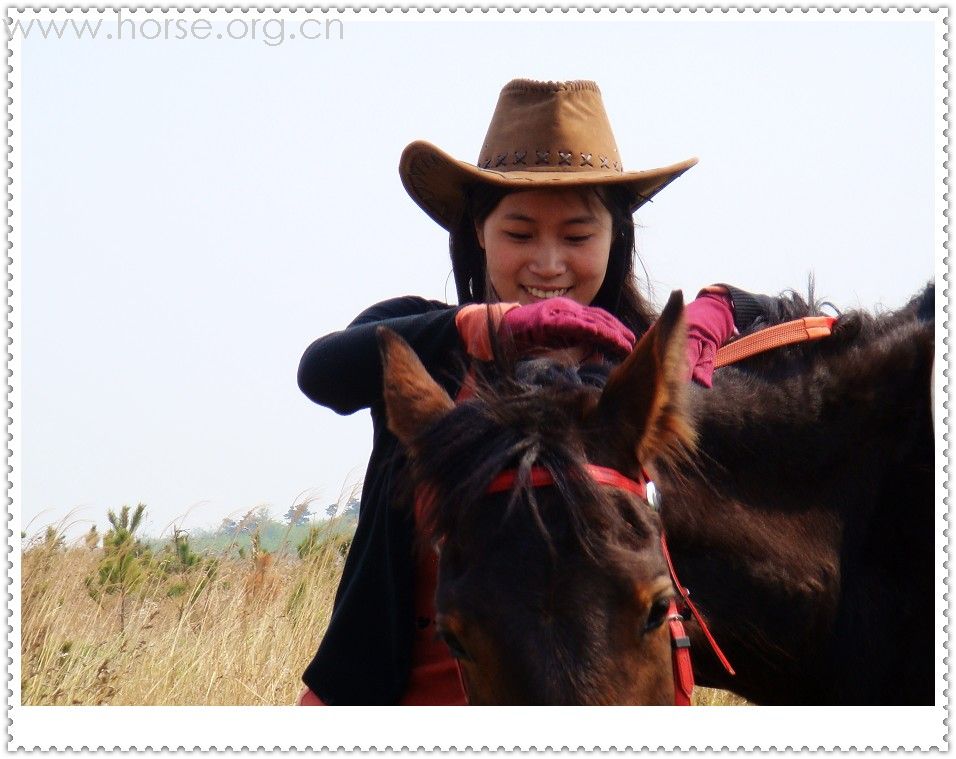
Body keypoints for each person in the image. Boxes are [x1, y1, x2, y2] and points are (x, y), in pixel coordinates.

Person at [296, 79, 766, 705]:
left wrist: (726, 305)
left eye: (577, 237)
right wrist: (489, 325)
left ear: (615, 238)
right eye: (519, 234)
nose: (548, 264)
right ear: (478, 235)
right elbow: (321, 370)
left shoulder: (635, 379)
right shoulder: (431, 350)